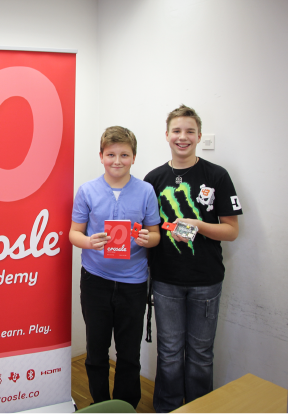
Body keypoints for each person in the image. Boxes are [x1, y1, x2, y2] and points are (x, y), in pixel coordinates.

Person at [144, 105, 242, 414]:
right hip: (165, 280)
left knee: (201, 354)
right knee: (169, 352)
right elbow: (149, 230)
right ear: (166, 135)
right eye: (176, 131)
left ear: (199, 136)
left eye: (189, 131)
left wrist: (198, 225)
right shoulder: (153, 179)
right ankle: (167, 409)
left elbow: (231, 231)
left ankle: (201, 409)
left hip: (206, 281)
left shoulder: (217, 175)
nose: (182, 137)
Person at [69, 126, 161, 408]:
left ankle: (125, 407)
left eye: (124, 155)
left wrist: (148, 239)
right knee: (96, 352)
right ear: (101, 156)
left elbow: (155, 234)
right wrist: (88, 242)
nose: (117, 161)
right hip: (95, 281)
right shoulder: (87, 190)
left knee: (129, 354)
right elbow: (74, 233)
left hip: (133, 284)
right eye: (111, 154)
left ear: (134, 157)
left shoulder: (146, 191)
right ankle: (100, 406)